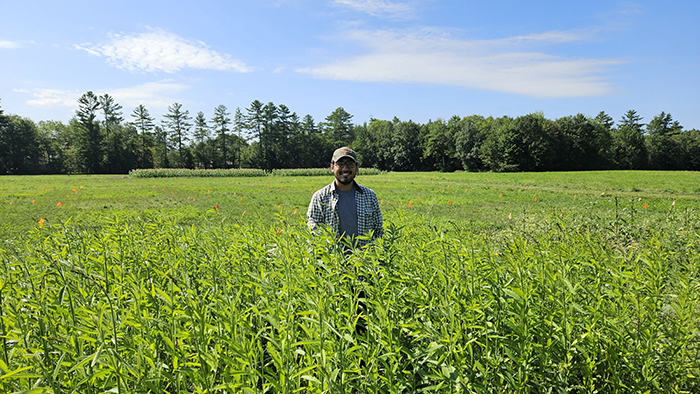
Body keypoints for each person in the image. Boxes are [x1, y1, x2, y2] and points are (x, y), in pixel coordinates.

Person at [307, 146, 384, 249]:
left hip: (365, 262)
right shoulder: (320, 197)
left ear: (357, 167)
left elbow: (378, 232)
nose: (345, 168)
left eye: (350, 164)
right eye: (340, 164)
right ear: (332, 167)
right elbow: (314, 235)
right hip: (333, 262)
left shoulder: (370, 196)